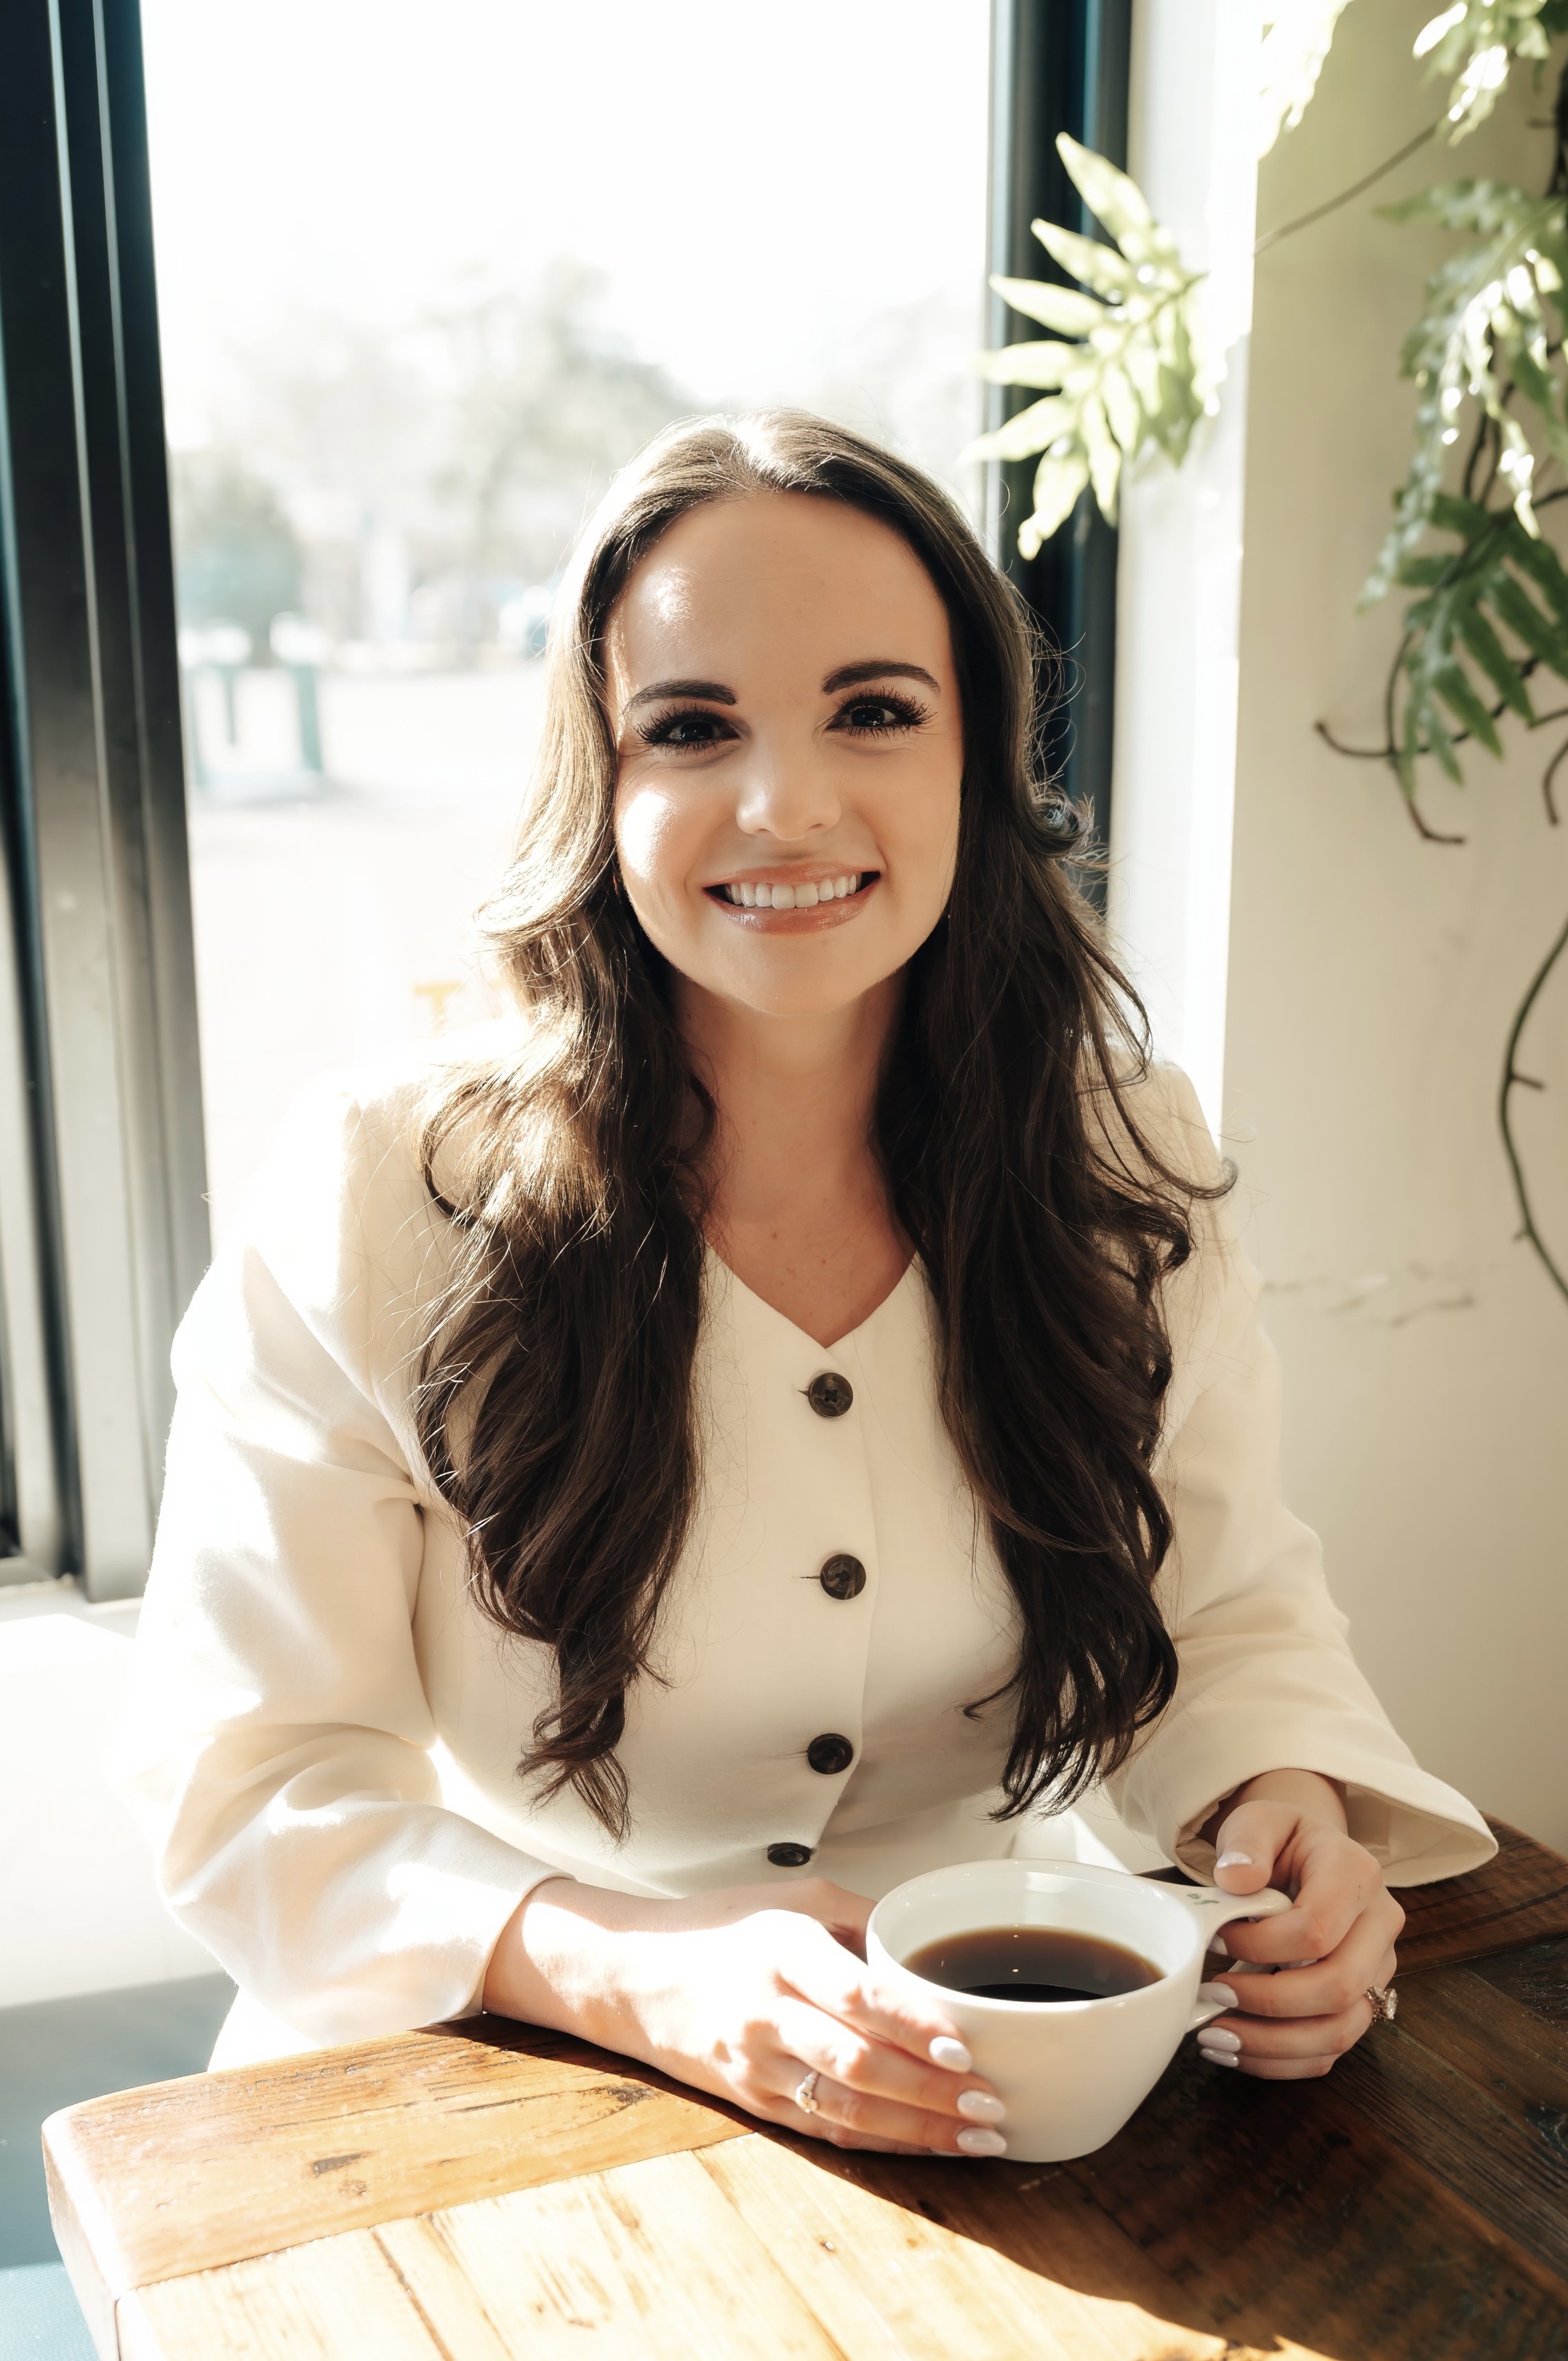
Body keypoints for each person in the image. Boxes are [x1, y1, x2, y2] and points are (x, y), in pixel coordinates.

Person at [119, 411, 1493, 2161]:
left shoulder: (1120, 1166)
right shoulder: (384, 1199)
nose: (785, 805)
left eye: (872, 710)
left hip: (992, 2061)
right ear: (597, 786)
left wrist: (1276, 1812)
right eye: (689, 729)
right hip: (495, 2058)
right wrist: (626, 1971)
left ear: (976, 758)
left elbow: (1217, 1613)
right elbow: (253, 1788)